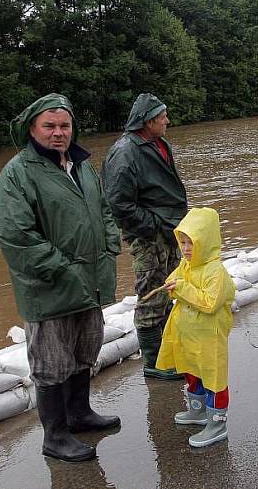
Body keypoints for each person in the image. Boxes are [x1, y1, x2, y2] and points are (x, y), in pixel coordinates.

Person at [0, 93, 121, 463]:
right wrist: (62, 268)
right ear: (32, 128)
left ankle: (79, 414)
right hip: (50, 288)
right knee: (50, 363)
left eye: (64, 126)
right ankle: (55, 435)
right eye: (49, 126)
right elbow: (18, 238)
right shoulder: (17, 175)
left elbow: (102, 208)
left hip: (90, 280)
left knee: (86, 349)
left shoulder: (81, 166)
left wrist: (110, 240)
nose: (58, 133)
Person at [102, 93, 188, 381]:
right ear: (148, 120)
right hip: (148, 236)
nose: (167, 120)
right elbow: (118, 203)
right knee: (151, 294)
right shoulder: (125, 152)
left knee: (169, 289)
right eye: (162, 116)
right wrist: (151, 225)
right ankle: (154, 363)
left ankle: (168, 353)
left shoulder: (157, 143)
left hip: (168, 230)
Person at [156, 207, 236, 448]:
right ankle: (198, 411)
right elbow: (177, 278)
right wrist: (171, 282)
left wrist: (180, 288)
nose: (186, 249)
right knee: (193, 372)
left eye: (191, 243)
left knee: (213, 379)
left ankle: (217, 424)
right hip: (189, 337)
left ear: (207, 242)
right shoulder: (186, 265)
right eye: (183, 242)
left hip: (209, 339)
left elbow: (210, 303)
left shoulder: (216, 272)